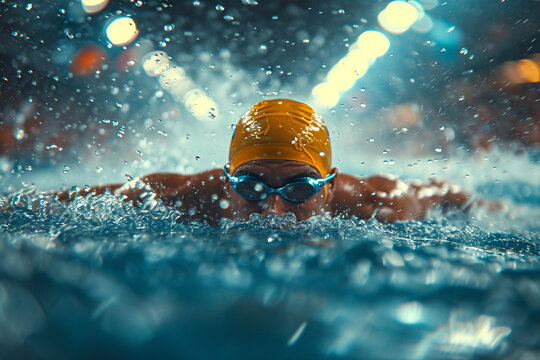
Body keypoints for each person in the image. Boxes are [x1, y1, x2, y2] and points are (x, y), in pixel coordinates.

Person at [58, 99, 477, 225]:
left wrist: (489, 209)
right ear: (226, 182)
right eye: (252, 187)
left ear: (329, 185)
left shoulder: (379, 205)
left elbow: (447, 192)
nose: (273, 210)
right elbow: (62, 200)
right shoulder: (181, 197)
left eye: (298, 188)